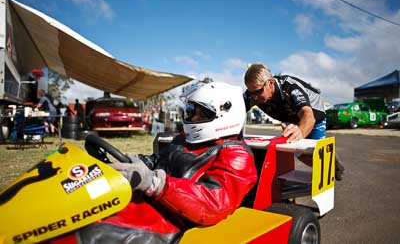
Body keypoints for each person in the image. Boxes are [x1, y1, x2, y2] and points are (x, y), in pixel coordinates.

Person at [52, 82, 258, 244]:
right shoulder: (185, 139)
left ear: (224, 113)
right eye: (191, 110)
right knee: (69, 212)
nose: (192, 116)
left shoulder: (236, 154)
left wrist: (156, 183)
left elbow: (214, 202)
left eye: (200, 112)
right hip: (150, 203)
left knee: (92, 233)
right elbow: (157, 161)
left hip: (174, 222)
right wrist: (134, 163)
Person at [243, 63, 344, 180]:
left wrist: (300, 131)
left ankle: (331, 162)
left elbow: (307, 113)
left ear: (270, 83)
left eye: (258, 92)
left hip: (313, 117)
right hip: (291, 119)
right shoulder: (252, 94)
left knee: (317, 156)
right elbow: (234, 111)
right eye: (251, 93)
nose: (254, 97)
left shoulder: (289, 86)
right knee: (300, 154)